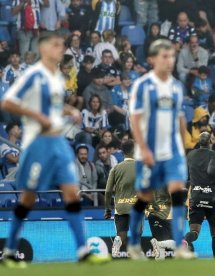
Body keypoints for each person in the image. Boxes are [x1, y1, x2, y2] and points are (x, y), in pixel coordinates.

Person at [0, 31, 110, 267]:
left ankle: (82, 250)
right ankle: (9, 250)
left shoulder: (58, 77)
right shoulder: (33, 74)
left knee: (72, 193)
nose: (62, 48)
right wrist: (35, 114)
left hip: (58, 144)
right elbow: (7, 102)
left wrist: (69, 111)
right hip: (37, 144)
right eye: (57, 45)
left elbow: (53, 108)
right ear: (43, 49)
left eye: (62, 45)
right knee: (27, 199)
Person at [128, 39, 195, 259]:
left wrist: (183, 145)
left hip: (172, 151)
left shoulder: (176, 85)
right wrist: (143, 148)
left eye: (172, 56)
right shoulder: (143, 85)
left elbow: (180, 117)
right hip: (149, 151)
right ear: (152, 59)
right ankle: (133, 242)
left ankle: (178, 244)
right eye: (164, 56)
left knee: (177, 192)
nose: (169, 61)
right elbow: (135, 119)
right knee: (145, 197)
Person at [185, 132, 215, 257]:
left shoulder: (190, 155)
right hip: (212, 198)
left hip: (196, 197)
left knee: (194, 232)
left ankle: (184, 242)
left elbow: (187, 174)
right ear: (210, 142)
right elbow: (213, 172)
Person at [104, 140, 137, 257]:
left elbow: (108, 191)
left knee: (121, 234)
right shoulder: (140, 167)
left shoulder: (115, 168)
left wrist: (107, 209)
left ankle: (117, 243)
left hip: (120, 207)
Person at [147, 187, 176, 260]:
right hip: (166, 214)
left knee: (159, 246)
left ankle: (160, 267)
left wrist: (147, 212)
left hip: (153, 213)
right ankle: (159, 244)